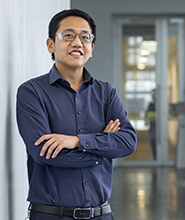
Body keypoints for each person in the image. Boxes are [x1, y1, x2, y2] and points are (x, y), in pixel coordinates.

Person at [16, 9, 137, 220]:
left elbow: (127, 142)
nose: (77, 42)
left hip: (101, 214)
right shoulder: (31, 92)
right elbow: (43, 153)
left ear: (91, 47)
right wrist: (102, 151)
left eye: (85, 37)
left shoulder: (106, 93)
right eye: (68, 35)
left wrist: (76, 141)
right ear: (50, 44)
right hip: (51, 215)